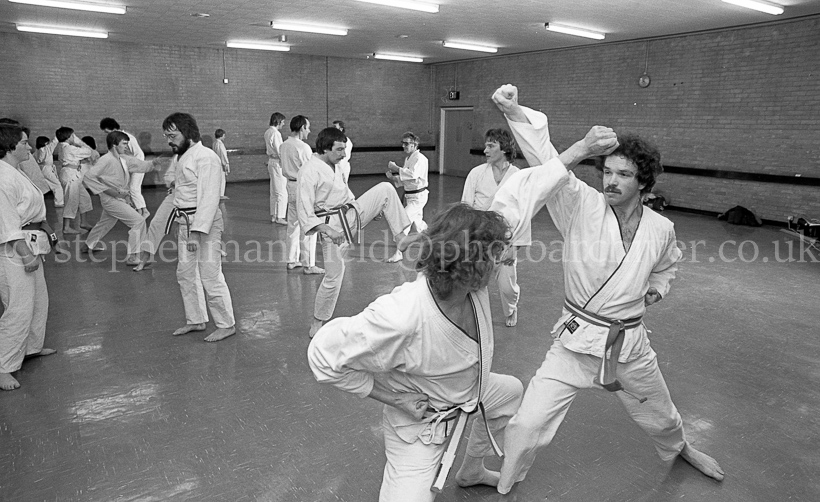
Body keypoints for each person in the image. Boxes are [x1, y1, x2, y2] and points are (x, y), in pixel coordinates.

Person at [484, 84, 724, 494]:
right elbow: (547, 162)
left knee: (663, 415)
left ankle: (680, 447)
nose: (611, 182)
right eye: (607, 172)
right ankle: (507, 483)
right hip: (574, 344)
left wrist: (657, 288)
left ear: (644, 183)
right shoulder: (581, 204)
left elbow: (667, 265)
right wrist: (516, 112)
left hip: (628, 346)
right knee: (526, 423)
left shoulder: (661, 228)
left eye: (623, 175)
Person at [308, 203, 524, 501]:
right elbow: (322, 353)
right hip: (420, 425)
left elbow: (524, 193)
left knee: (511, 392)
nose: (498, 263)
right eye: (492, 257)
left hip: (468, 390)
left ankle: (472, 470)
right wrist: (394, 398)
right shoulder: (401, 316)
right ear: (469, 264)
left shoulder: (471, 286)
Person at [296, 127, 412, 338]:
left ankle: (400, 237)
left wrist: (373, 208)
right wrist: (326, 229)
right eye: (339, 149)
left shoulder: (337, 166)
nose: (343, 154)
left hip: (349, 216)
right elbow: (304, 211)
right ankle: (317, 322)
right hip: (331, 227)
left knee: (385, 190)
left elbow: (347, 196)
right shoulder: (309, 171)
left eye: (344, 149)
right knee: (334, 275)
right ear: (325, 148)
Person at [130, 113, 236, 342]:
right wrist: (180, 223)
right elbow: (177, 191)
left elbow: (209, 198)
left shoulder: (206, 157)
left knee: (210, 275)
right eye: (166, 135)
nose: (169, 140)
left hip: (204, 224)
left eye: (173, 134)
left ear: (188, 132)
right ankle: (196, 319)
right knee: (185, 274)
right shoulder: (182, 156)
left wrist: (197, 233)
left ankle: (226, 324)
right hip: (185, 221)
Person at [0, 124, 56, 391]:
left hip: (31, 242)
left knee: (38, 299)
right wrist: (24, 255)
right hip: (14, 251)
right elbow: (7, 224)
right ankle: (3, 366)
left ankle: (31, 348)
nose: (29, 147)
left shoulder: (15, 171)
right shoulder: (2, 177)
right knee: (18, 306)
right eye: (24, 143)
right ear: (10, 146)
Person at [462, 128, 522, 327]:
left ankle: (511, 308)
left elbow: (524, 212)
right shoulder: (476, 173)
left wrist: (515, 245)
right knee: (476, 283)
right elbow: (465, 207)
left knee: (507, 287)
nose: (485, 150)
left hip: (505, 240)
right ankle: (478, 319)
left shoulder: (517, 176)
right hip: (479, 238)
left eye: (491, 145)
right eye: (485, 145)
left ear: (504, 148)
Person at [81, 131, 153, 265]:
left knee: (105, 223)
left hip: (117, 198)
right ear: (115, 145)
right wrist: (108, 191)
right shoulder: (106, 159)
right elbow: (88, 177)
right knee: (138, 222)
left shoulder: (120, 159)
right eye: (124, 144)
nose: (126, 146)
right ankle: (133, 256)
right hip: (111, 199)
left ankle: (88, 245)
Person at [280, 115, 323, 274]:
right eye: (308, 127)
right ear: (301, 128)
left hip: (290, 186)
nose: (309, 131)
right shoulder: (302, 147)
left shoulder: (284, 145)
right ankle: (309, 264)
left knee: (293, 225)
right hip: (302, 186)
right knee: (309, 226)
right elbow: (310, 170)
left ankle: (291, 260)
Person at [386, 132, 428, 263]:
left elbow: (413, 175)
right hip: (411, 196)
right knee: (419, 224)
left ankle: (399, 252)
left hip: (418, 197)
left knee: (402, 222)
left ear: (415, 144)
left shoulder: (420, 158)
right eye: (402, 143)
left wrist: (396, 168)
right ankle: (433, 238)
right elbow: (407, 180)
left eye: (407, 143)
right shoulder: (409, 158)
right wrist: (394, 178)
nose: (404, 146)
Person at [100, 117, 149, 218]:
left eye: (107, 132)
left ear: (113, 129)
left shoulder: (127, 138)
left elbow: (139, 154)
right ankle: (138, 209)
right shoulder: (116, 139)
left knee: (134, 188)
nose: (107, 134)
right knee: (128, 189)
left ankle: (143, 211)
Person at [56, 127, 96, 235]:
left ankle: (84, 222)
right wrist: (79, 141)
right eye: (73, 135)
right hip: (70, 175)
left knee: (85, 198)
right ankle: (66, 227)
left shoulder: (65, 147)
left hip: (73, 174)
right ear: (69, 137)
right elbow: (89, 151)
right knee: (71, 200)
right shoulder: (68, 148)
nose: (75, 137)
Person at [265, 112, 287, 224]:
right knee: (282, 191)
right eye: (282, 122)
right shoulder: (276, 133)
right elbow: (280, 151)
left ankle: (274, 214)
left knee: (274, 190)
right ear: (278, 121)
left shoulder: (267, 132)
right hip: (278, 163)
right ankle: (280, 216)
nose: (283, 124)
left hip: (271, 161)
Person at [33, 136, 65, 208]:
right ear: (45, 142)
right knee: (57, 185)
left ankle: (36, 203)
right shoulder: (46, 149)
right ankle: (59, 202)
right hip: (47, 169)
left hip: (40, 168)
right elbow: (54, 142)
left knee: (42, 186)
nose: (48, 143)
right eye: (47, 142)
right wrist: (59, 134)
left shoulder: (36, 151)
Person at [213, 129, 230, 200]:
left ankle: (218, 194)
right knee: (222, 180)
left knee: (218, 179)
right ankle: (221, 194)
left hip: (216, 163)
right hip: (221, 164)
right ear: (221, 135)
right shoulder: (220, 144)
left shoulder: (214, 143)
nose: (224, 137)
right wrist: (226, 164)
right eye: (224, 135)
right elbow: (223, 155)